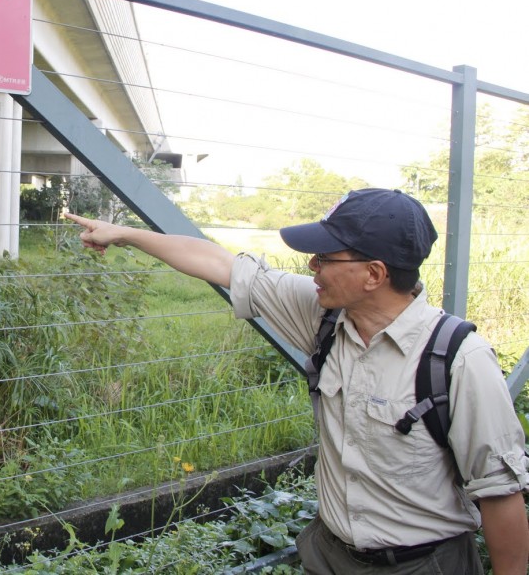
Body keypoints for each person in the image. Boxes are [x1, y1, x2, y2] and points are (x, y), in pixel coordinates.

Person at [64, 188, 529, 574]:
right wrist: (124, 234)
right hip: (328, 556)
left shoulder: (457, 360)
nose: (312, 267)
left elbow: (500, 494)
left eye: (325, 257)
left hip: (423, 565)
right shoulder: (323, 315)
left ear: (374, 274)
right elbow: (221, 264)